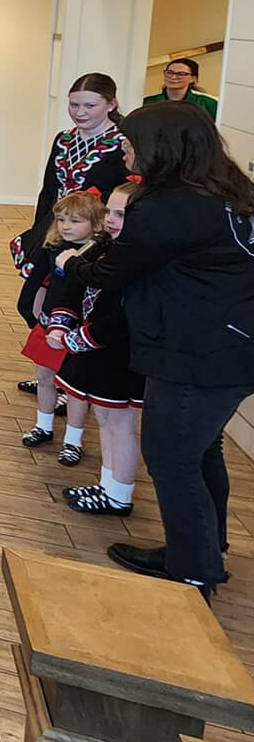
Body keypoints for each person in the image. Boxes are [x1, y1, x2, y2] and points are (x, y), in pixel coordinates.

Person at [59, 103, 254, 598]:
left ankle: (192, 572)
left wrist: (70, 263)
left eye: (130, 141)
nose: (123, 148)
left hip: (194, 350)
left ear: (159, 146)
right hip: (230, 346)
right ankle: (204, 549)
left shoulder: (167, 206)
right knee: (199, 449)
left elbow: (111, 272)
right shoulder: (229, 191)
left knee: (171, 458)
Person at [54, 180, 146, 516]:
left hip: (119, 356)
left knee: (119, 424)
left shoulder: (136, 260)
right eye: (108, 210)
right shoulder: (104, 247)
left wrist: (78, 339)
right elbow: (77, 284)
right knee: (106, 418)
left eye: (121, 214)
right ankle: (109, 487)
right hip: (97, 351)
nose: (110, 219)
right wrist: (61, 321)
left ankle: (119, 494)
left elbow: (121, 318)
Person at [10, 74, 129, 278]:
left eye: (90, 106)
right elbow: (49, 190)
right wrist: (40, 227)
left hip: (94, 234)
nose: (80, 112)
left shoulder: (123, 143)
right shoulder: (63, 139)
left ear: (111, 104)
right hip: (57, 226)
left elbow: (124, 193)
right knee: (34, 296)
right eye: (74, 105)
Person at [15, 190, 102, 462]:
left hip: (80, 330)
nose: (66, 226)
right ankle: (44, 425)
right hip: (49, 323)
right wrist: (33, 310)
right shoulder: (53, 248)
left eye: (75, 221)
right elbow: (41, 281)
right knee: (44, 376)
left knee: (76, 388)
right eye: (62, 220)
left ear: (96, 224)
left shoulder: (98, 257)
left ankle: (73, 440)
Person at [144, 57, 219, 117]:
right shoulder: (148, 102)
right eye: (169, 73)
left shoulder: (208, 104)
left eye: (181, 74)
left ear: (193, 79)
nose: (173, 77)